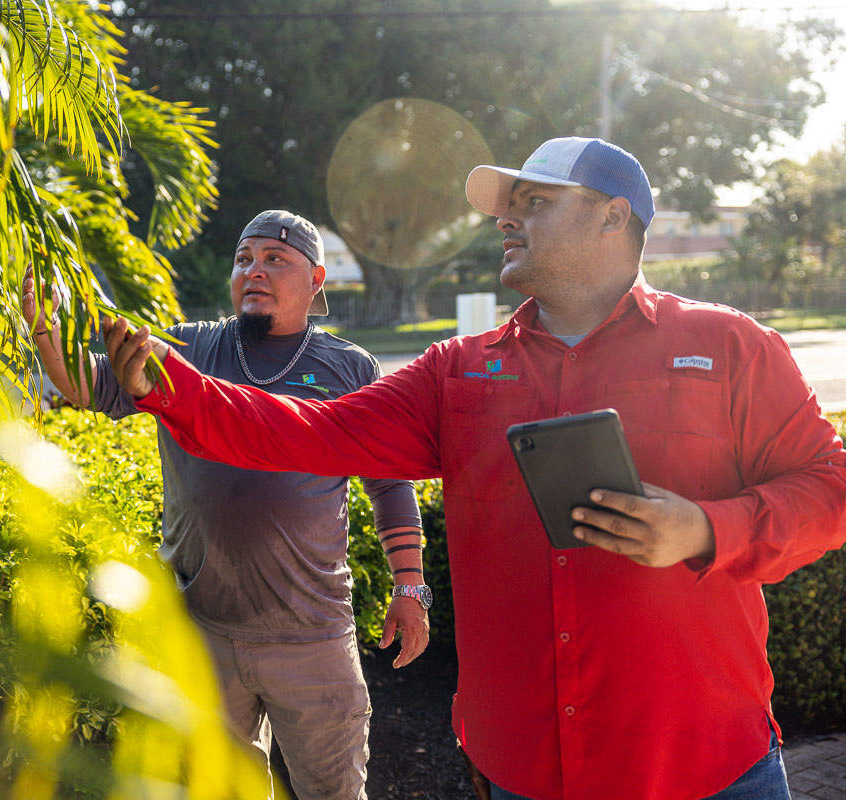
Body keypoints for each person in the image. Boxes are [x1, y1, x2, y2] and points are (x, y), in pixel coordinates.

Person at [100, 138, 846, 800]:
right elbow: (307, 432)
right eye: (507, 206)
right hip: (521, 769)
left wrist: (704, 528)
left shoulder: (733, 347)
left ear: (613, 218)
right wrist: (168, 383)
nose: (505, 219)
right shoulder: (455, 371)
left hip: (708, 768)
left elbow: (830, 488)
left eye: (534, 202)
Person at [22, 209, 428, 800]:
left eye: (275, 260)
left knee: (333, 791)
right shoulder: (185, 349)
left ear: (317, 280)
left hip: (311, 635)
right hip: (204, 629)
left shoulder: (349, 367)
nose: (254, 271)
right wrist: (44, 332)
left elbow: (389, 483)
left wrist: (410, 587)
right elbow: (86, 388)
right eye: (244, 259)